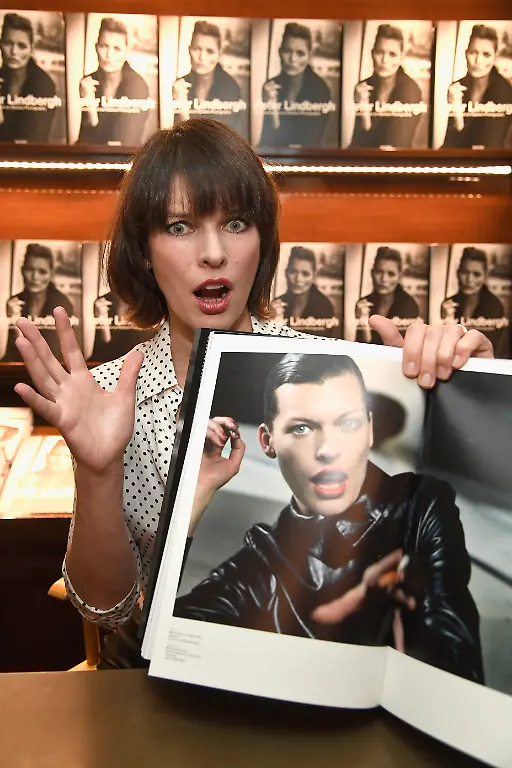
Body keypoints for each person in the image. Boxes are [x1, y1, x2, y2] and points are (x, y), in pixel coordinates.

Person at [11, 118, 494, 670]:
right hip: (165, 696)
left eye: (236, 223)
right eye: (180, 226)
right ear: (144, 251)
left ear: (262, 243)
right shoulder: (109, 395)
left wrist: (463, 387)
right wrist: (98, 472)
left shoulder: (325, 369)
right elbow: (106, 609)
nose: (214, 253)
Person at [175, 353, 484, 684]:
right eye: (303, 428)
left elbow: (457, 656)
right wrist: (196, 493)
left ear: (369, 430)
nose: (328, 449)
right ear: (268, 441)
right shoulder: (256, 568)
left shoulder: (418, 506)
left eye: (348, 423)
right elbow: (158, 655)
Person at [77, 17, 151, 146]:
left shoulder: (138, 85)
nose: (109, 55)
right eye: (104, 46)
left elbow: (125, 140)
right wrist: (88, 108)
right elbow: (83, 142)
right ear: (96, 48)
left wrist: (93, 118)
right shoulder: (87, 84)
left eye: (117, 49)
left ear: (126, 51)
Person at [259, 22, 333, 148]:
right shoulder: (270, 87)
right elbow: (266, 140)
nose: (293, 59)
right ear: (279, 52)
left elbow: (309, 141)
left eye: (300, 53)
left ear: (310, 55)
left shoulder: (320, 89)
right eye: (287, 51)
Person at [350, 24, 424, 149]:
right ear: (372, 53)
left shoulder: (410, 89)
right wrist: (364, 111)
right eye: (379, 52)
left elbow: (394, 145)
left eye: (392, 54)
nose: (384, 61)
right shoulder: (363, 88)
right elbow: (359, 141)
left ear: (401, 57)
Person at [442, 24, 512, 150]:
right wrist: (457, 114)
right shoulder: (457, 88)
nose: (478, 61)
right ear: (465, 54)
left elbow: (490, 144)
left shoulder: (504, 90)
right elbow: (450, 143)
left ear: (495, 57)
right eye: (473, 52)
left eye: (486, 54)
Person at [5, 243, 74, 361]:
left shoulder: (63, 304)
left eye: (42, 272)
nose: (35, 277)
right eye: (29, 269)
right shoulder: (13, 303)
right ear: (22, 270)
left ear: (51, 274)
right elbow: (11, 353)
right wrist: (13, 321)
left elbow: (56, 353)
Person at [172, 21, 245, 133]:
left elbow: (212, 140)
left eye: (210, 51)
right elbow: (176, 136)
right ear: (189, 50)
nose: (202, 57)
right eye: (197, 49)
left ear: (219, 54)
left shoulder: (230, 87)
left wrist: (182, 107)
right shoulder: (180, 84)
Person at [0, 12, 59, 143]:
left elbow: (36, 136)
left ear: (31, 49)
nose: (14, 52)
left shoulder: (44, 83)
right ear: (0, 44)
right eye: (8, 43)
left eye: (22, 46)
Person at [442, 246, 507, 356]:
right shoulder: (447, 305)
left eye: (476, 274)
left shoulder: (495, 305)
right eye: (464, 272)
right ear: (458, 273)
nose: (469, 280)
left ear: (485, 276)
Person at [356, 246, 420, 344]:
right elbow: (361, 346)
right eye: (379, 272)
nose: (384, 279)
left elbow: (398, 347)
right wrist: (363, 322)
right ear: (372, 273)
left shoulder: (409, 305)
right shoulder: (363, 304)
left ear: (399, 277)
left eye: (391, 274)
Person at [272, 246, 336, 337]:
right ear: (286, 273)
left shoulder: (324, 306)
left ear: (314, 276)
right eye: (293, 272)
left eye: (305, 274)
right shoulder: (276, 305)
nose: (298, 279)